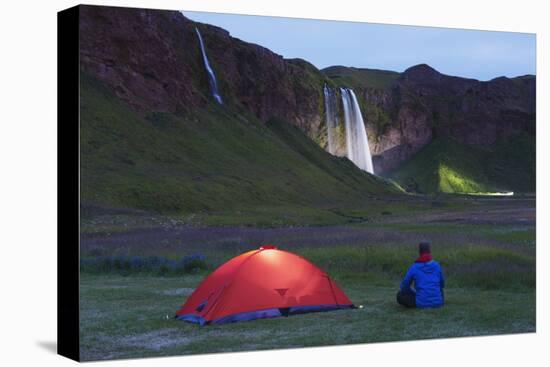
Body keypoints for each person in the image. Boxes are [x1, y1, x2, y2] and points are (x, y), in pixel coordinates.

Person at [397, 242, 445, 308]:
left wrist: (411, 292)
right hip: (438, 302)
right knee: (440, 289)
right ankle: (436, 300)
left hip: (421, 303)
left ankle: (423, 299)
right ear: (430, 251)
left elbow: (404, 285)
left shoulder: (414, 267)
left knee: (400, 295)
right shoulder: (437, 265)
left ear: (419, 252)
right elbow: (442, 284)